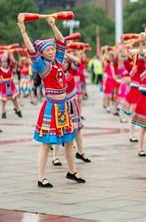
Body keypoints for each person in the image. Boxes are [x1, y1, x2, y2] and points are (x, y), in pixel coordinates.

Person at [18, 15, 85, 188]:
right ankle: (41, 177)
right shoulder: (42, 66)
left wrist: (53, 25)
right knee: (46, 144)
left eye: (52, 49)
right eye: (48, 50)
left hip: (63, 106)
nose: (52, 51)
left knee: (69, 141)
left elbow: (61, 41)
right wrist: (23, 31)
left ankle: (72, 171)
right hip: (51, 107)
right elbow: (31, 50)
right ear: (42, 53)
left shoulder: (58, 60)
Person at [0, 51, 22, 119]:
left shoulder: (10, 68)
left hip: (11, 86)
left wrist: (10, 54)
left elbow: (14, 62)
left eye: (6, 62)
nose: (4, 63)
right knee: (4, 100)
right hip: (3, 87)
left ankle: (17, 110)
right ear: (1, 63)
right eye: (3, 62)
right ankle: (3, 112)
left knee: (14, 98)